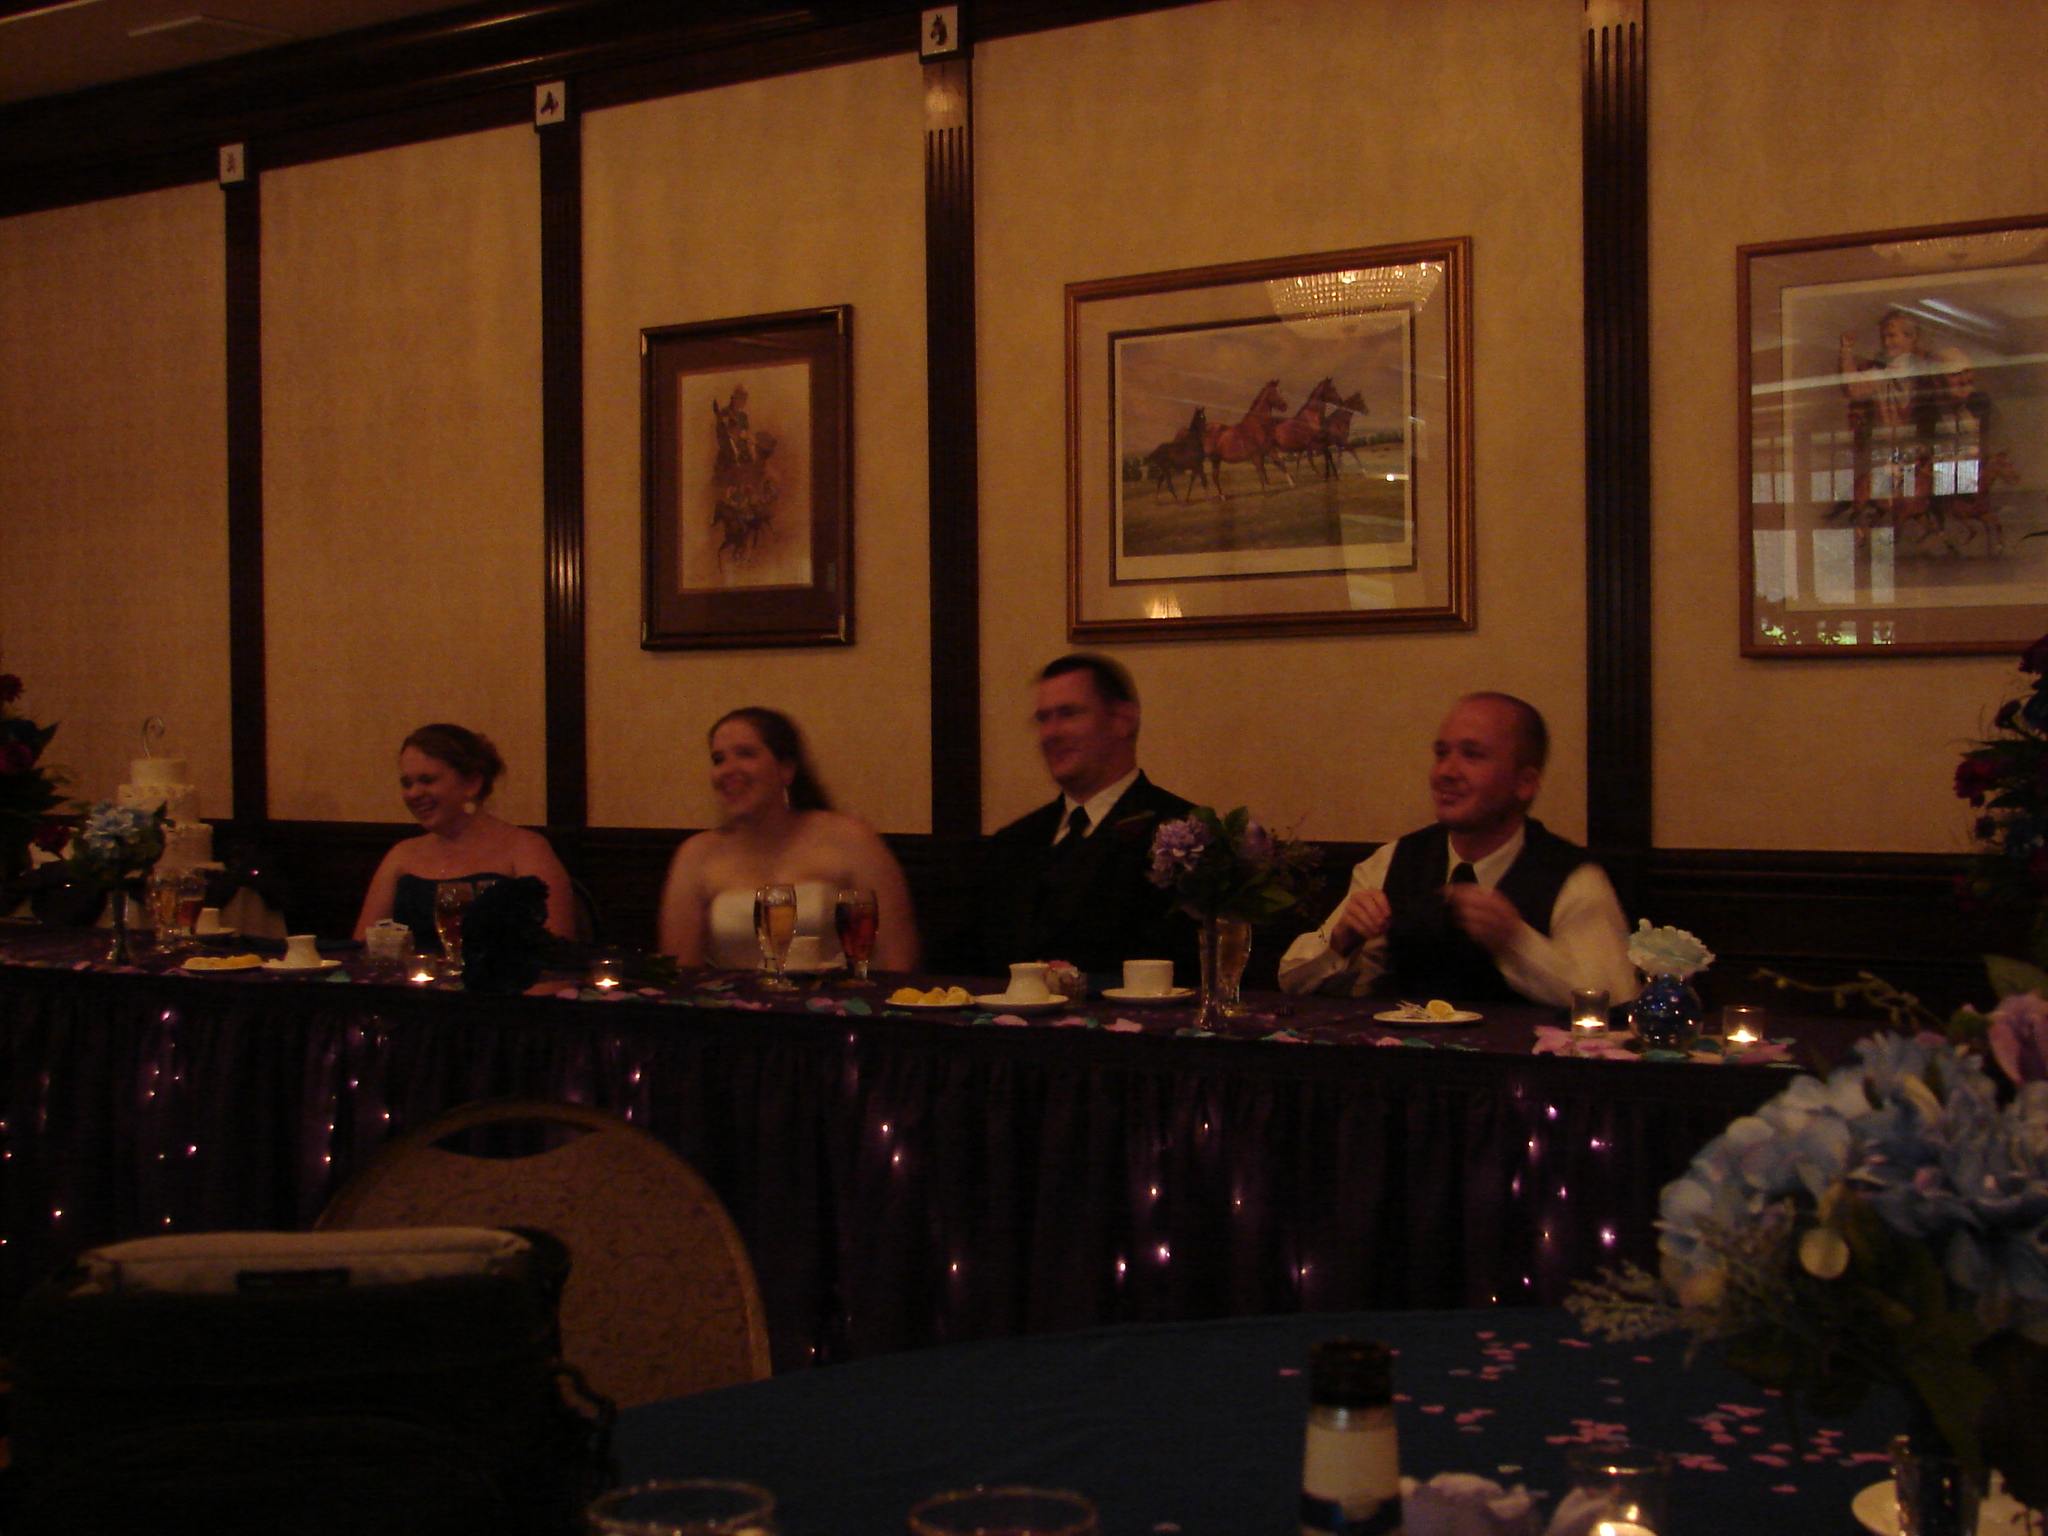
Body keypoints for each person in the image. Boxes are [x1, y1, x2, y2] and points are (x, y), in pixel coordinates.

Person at [1278, 693, 1634, 1008]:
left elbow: (1615, 1000)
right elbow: (1291, 980)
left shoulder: (1573, 878)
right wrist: (1341, 943)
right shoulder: (1394, 862)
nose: (1445, 772)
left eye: (1472, 755)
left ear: (1524, 783)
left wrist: (1516, 941)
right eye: (1441, 753)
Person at [657, 707, 919, 972]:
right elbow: (680, 971)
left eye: (745, 754)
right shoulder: (696, 855)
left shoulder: (849, 838)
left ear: (786, 769)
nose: (727, 770)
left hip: (837, 996)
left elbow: (897, 957)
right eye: (718, 759)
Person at [981, 654, 1194, 980]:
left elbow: (1186, 969)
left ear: (1123, 720)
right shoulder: (1012, 842)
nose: (1050, 733)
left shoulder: (1184, 835)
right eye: (1043, 719)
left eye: (1068, 714)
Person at [355, 723, 577, 947]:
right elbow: (362, 947)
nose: (413, 794)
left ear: (472, 784)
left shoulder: (527, 849)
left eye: (427, 780)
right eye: (407, 783)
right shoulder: (401, 855)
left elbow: (556, 950)